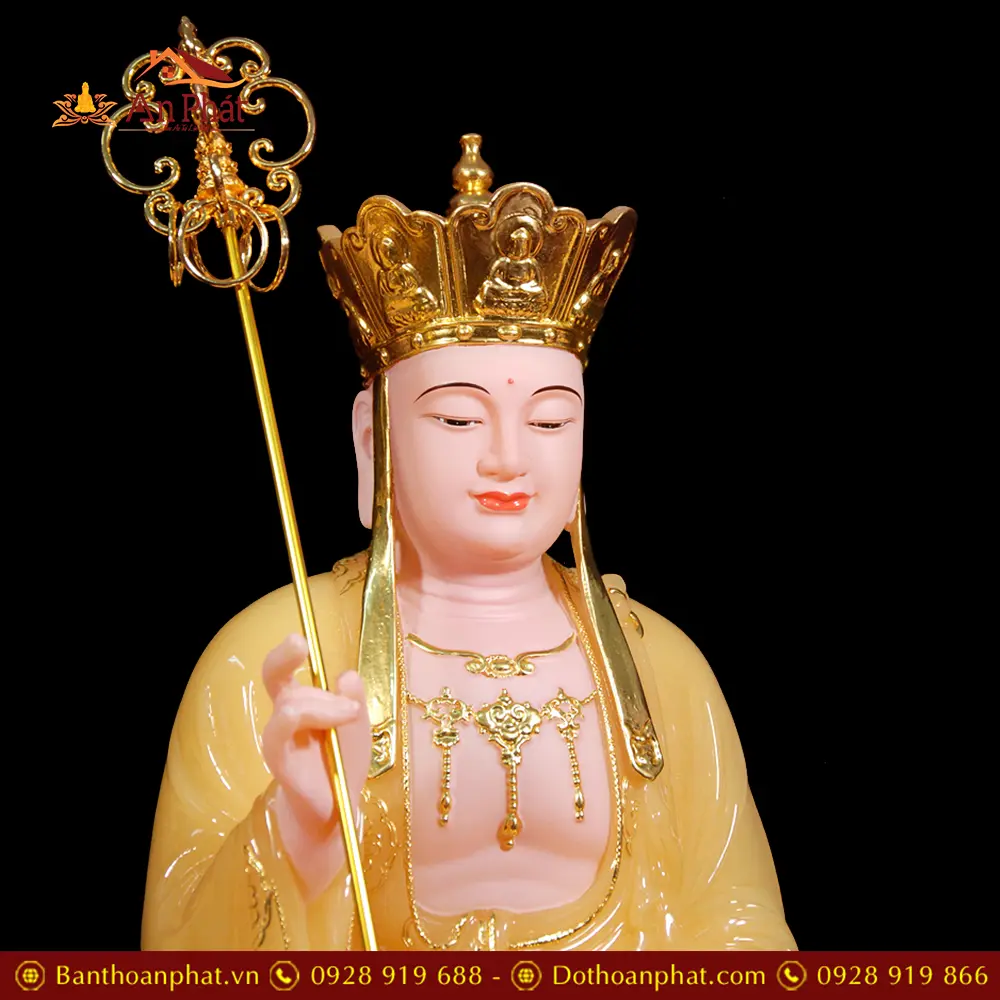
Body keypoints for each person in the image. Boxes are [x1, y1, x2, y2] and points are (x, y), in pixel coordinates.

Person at [141, 136, 796, 952]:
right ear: (372, 439)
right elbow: (176, 954)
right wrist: (294, 835)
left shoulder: (661, 665)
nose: (508, 457)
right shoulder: (277, 656)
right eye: (457, 418)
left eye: (549, 420)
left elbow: (740, 927)